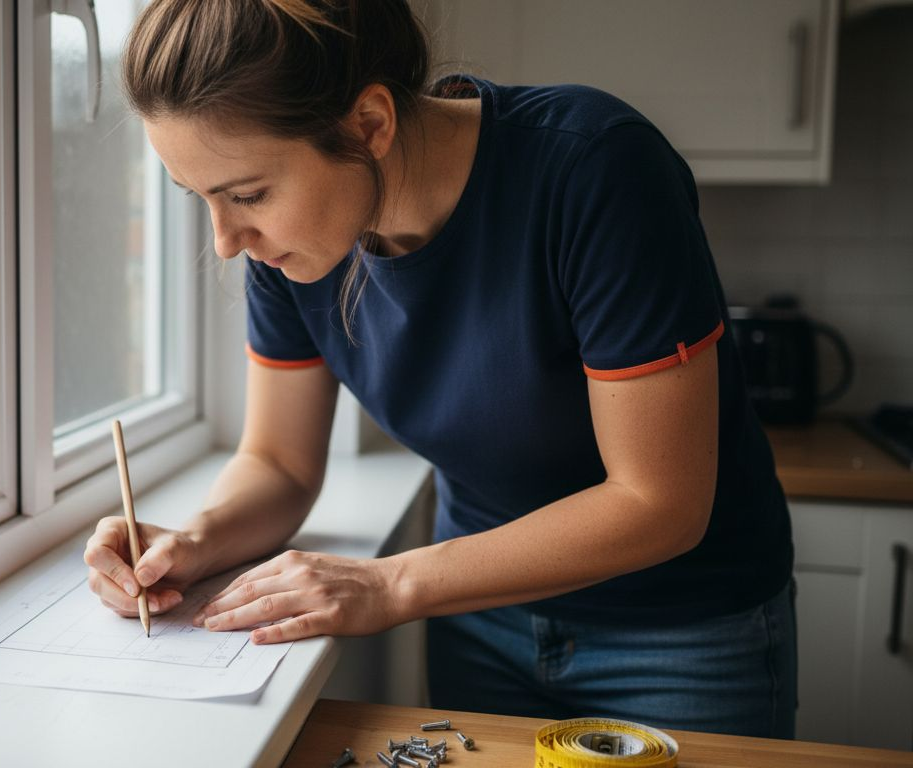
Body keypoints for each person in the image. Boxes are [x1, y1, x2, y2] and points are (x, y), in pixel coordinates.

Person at [82, 0, 796, 739]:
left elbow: (659, 503)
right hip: (478, 620)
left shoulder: (596, 169)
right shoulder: (289, 249)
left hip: (681, 633)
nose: (226, 240)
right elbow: (278, 464)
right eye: (201, 197)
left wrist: (392, 584)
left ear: (369, 124)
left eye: (248, 194)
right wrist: (193, 544)